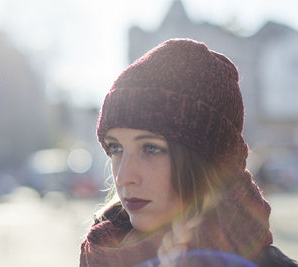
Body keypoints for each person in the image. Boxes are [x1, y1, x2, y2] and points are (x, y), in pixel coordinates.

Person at [79, 38, 297, 267]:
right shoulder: (100, 254)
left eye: (151, 148)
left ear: (209, 162)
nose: (124, 177)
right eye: (115, 148)